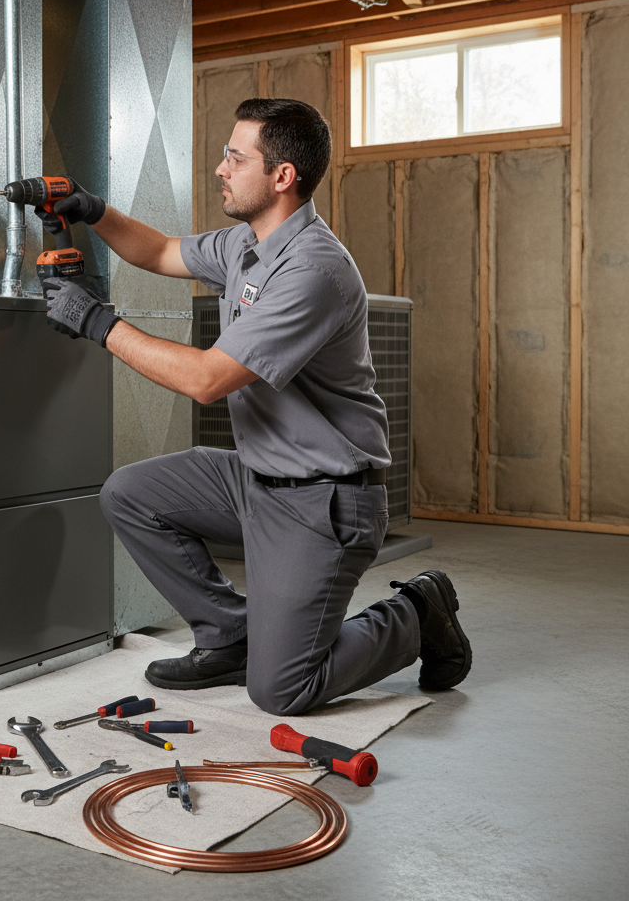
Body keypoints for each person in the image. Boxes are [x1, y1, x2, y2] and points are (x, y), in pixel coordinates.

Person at [38, 98, 471, 716]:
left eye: (235, 158)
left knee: (282, 691)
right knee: (129, 494)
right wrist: (93, 209)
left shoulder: (314, 271)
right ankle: (229, 635)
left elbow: (209, 380)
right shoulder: (247, 243)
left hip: (326, 499)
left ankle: (415, 614)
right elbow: (160, 251)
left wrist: (99, 324)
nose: (220, 168)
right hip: (257, 479)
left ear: (282, 176)